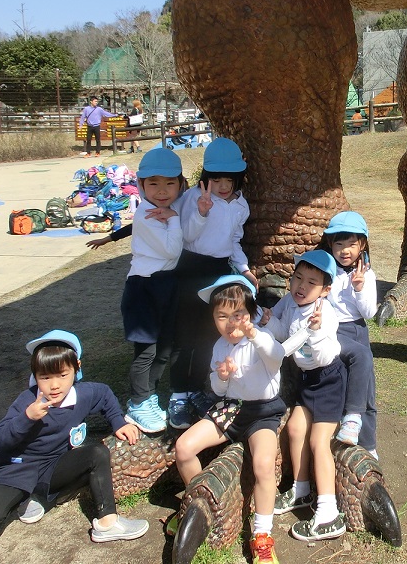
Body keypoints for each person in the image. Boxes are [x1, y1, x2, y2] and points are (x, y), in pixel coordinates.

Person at [0, 330, 149, 543]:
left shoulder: (82, 394)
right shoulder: (27, 401)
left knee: (97, 453)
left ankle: (107, 523)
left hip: (54, 465)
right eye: (45, 377)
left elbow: (104, 395)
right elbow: (0, 439)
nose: (54, 385)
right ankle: (27, 497)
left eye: (62, 375)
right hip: (16, 467)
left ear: (77, 368)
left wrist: (118, 421)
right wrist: (28, 417)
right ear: (35, 375)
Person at [171, 275, 289, 563]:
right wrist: (221, 377)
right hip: (231, 408)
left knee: (263, 465)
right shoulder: (220, 347)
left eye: (237, 314)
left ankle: (262, 535)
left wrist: (253, 333)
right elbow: (219, 389)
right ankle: (194, 504)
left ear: (251, 313)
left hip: (263, 411)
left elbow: (277, 356)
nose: (229, 323)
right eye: (221, 316)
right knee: (184, 447)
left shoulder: (262, 338)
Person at [169, 137, 256, 430]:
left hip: (219, 271)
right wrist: (203, 211)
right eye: (216, 178)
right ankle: (178, 395)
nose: (222, 185)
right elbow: (188, 237)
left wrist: (243, 268)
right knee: (184, 337)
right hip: (191, 268)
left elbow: (233, 240)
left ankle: (197, 390)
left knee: (209, 334)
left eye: (228, 179)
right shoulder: (193, 198)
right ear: (207, 176)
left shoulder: (240, 204)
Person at [270, 250, 347, 542]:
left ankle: (329, 513)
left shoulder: (324, 315)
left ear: (325, 290)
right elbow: (284, 333)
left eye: (311, 282)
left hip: (327, 380)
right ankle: (301, 490)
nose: (301, 286)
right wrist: (268, 320)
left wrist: (314, 332)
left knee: (318, 441)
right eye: (298, 278)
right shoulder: (290, 303)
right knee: (294, 428)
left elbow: (325, 355)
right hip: (306, 380)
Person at [119, 149, 186, 433]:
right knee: (146, 351)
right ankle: (137, 403)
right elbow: (173, 248)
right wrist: (173, 218)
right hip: (144, 288)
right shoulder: (147, 216)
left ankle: (150, 396)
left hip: (165, 285)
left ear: (181, 185)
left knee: (165, 348)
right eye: (154, 183)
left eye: (170, 183)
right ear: (142, 185)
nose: (162, 191)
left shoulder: (171, 210)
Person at [317, 211, 378, 457]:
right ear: (330, 244)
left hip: (357, 330)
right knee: (338, 382)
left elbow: (369, 312)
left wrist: (360, 288)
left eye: (351, 244)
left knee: (367, 390)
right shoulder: (325, 271)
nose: (345, 250)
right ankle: (336, 436)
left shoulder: (366, 274)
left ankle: (369, 446)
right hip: (331, 330)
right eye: (339, 244)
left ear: (362, 244)